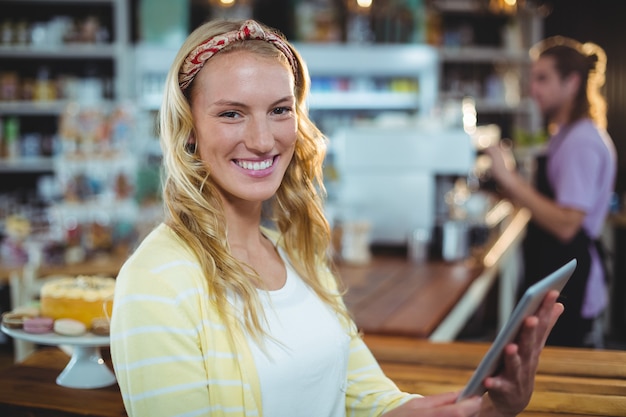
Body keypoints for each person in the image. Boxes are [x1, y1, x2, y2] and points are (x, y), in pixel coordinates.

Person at [110, 18, 563, 417]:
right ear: (188, 130)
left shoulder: (297, 255)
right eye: (231, 114)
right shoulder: (155, 283)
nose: (264, 140)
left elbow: (374, 402)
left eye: (279, 111)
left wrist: (491, 410)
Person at [484, 36, 617, 348]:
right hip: (556, 275)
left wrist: (510, 179)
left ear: (571, 83)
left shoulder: (580, 142)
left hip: (570, 283)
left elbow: (567, 223)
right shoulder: (566, 135)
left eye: (543, 78)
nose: (533, 89)